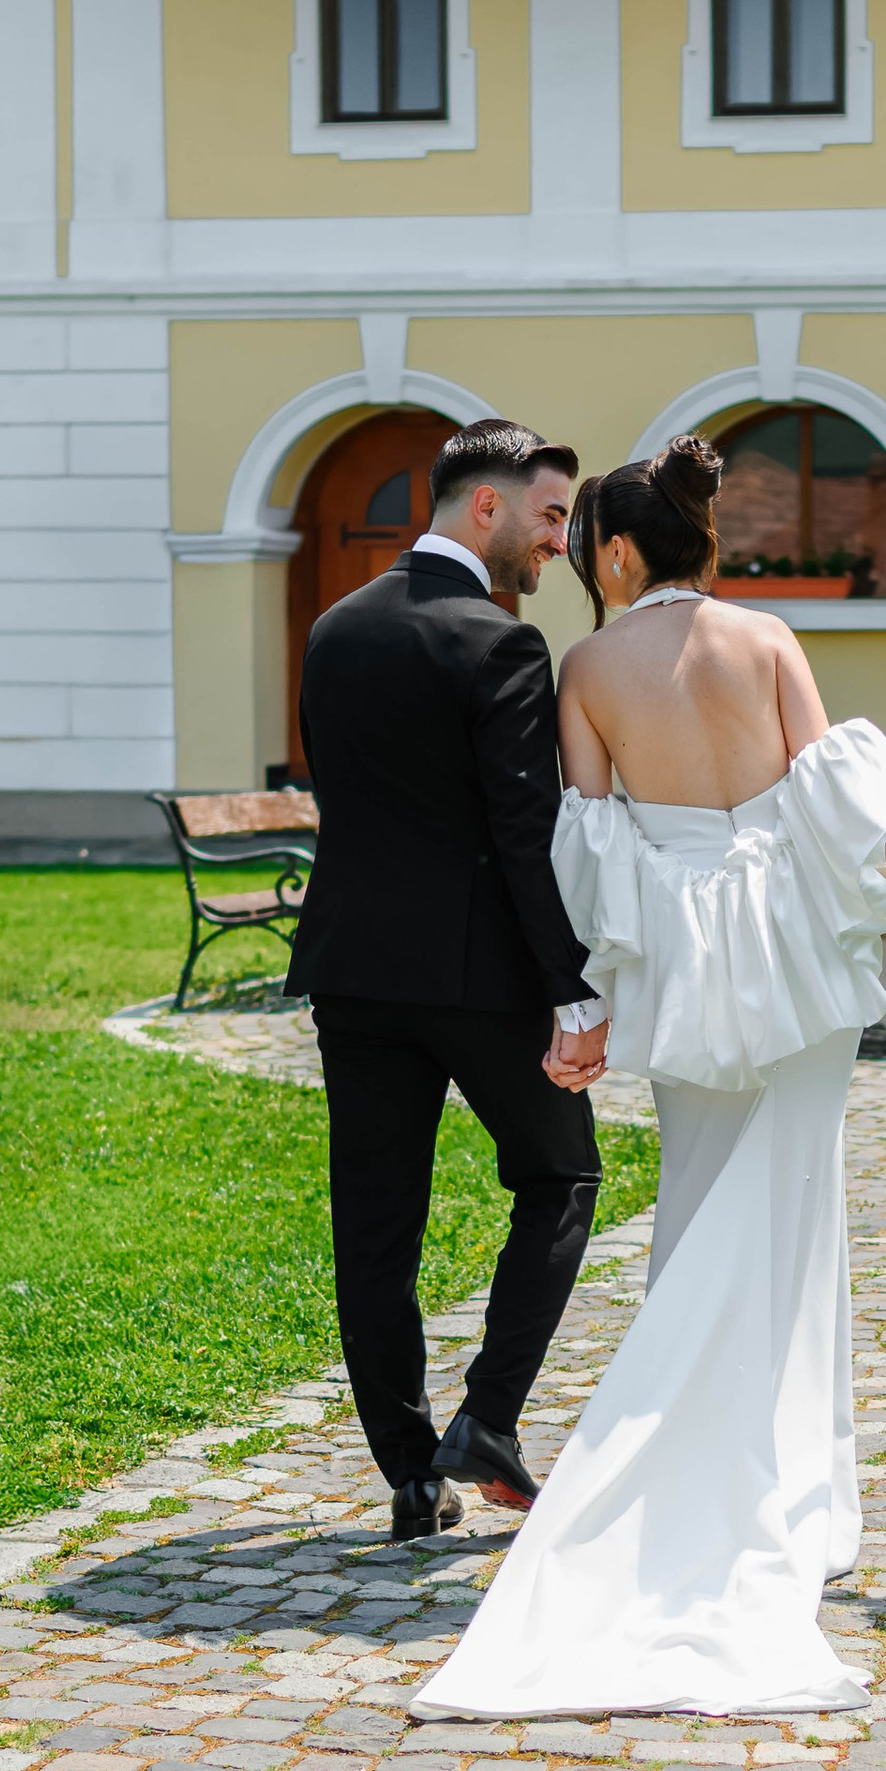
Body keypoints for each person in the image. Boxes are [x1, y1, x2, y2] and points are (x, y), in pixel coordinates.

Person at [414, 435, 886, 1719]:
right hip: (801, 969)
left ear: (621, 550)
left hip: (690, 976)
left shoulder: (587, 665)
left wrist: (581, 1009)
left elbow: (585, 854)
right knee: (801, 1219)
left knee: (697, 1211)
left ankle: (700, 1470)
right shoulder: (766, 645)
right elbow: (846, 813)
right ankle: (794, 1495)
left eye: (589, 543)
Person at [286, 421, 613, 1543]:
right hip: (477, 978)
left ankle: (408, 1475)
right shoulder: (501, 645)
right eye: (551, 516)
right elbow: (524, 837)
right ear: (488, 510)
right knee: (560, 1175)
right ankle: (488, 1418)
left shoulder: (332, 630)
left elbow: (351, 801)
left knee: (376, 1225)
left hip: (354, 976)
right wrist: (574, 989)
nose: (557, 542)